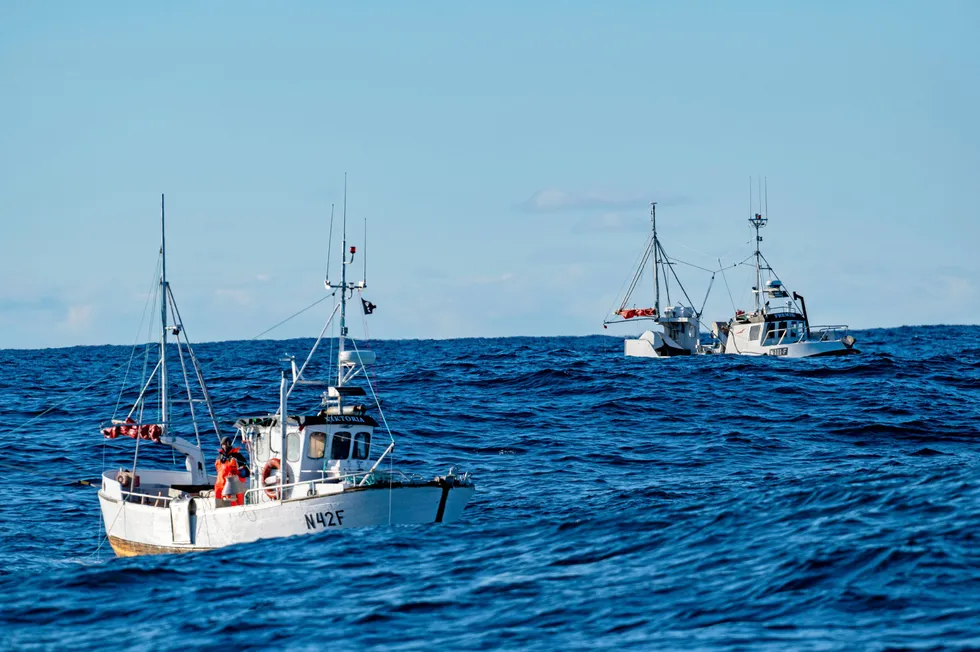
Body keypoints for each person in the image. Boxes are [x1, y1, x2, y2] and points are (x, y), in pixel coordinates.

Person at [214, 437, 249, 506]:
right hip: (220, 487)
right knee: (219, 506)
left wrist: (238, 472)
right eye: (223, 444)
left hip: (234, 487)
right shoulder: (219, 457)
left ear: (229, 444)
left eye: (226, 444)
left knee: (235, 506)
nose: (225, 446)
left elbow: (247, 472)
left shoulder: (237, 456)